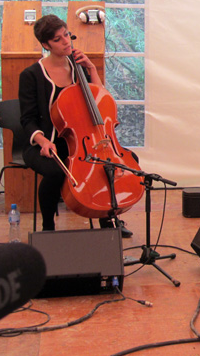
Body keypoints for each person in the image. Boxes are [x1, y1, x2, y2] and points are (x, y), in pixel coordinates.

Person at [19, 14, 133, 237]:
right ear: (45, 45)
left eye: (66, 36)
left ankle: (108, 220)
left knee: (107, 166)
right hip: (48, 142)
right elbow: (27, 119)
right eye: (58, 40)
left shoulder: (77, 66)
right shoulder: (31, 75)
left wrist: (91, 68)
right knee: (54, 172)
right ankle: (48, 227)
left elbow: (101, 99)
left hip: (84, 141)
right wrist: (42, 142)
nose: (65, 42)